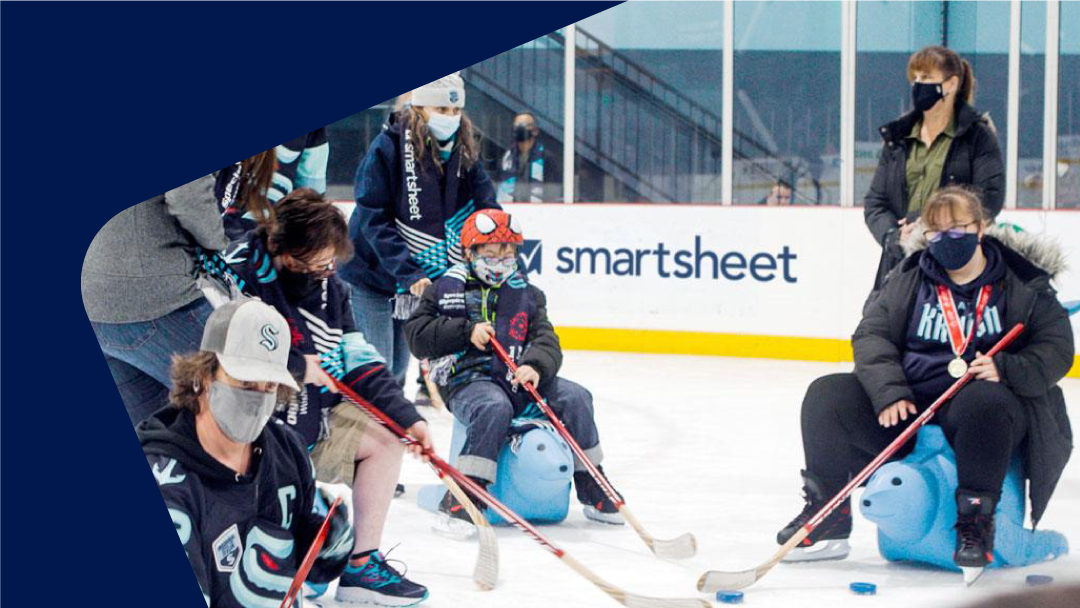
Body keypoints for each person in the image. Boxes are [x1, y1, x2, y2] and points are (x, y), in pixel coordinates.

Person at [775, 187, 1073, 574]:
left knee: (985, 400)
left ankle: (975, 524)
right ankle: (828, 514)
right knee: (827, 393)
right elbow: (871, 335)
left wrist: (1006, 367)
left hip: (980, 414)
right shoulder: (911, 276)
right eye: (936, 232)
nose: (947, 241)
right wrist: (889, 391)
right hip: (910, 408)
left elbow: (1057, 348)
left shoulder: (1022, 283)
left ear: (980, 229)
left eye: (958, 230)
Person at [206, 189, 431, 606]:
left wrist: (406, 417)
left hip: (313, 420)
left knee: (385, 442)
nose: (325, 272)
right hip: (253, 428)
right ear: (285, 251)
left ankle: (361, 565)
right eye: (315, 263)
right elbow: (220, 355)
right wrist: (294, 366)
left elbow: (359, 360)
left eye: (329, 263)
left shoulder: (331, 287)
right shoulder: (237, 273)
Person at [405, 209, 624, 535]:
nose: (500, 263)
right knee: (494, 406)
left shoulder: (529, 295)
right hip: (470, 380)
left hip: (519, 378)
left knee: (577, 397)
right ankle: (466, 495)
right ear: (470, 254)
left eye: (507, 256)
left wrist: (534, 365)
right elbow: (418, 336)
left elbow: (547, 339)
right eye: (491, 255)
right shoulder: (443, 289)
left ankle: (591, 482)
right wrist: (466, 331)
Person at [139, 298, 354, 607]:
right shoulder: (167, 481)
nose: (257, 399)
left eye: (269, 387)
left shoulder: (287, 450)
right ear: (204, 375)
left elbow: (316, 572)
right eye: (244, 382)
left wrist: (330, 541)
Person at [338, 72, 500, 394]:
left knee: (397, 369)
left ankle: (387, 439)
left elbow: (486, 208)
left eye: (456, 112)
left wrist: (496, 241)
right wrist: (409, 272)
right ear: (420, 109)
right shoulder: (388, 148)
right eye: (442, 111)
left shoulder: (463, 153)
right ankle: (358, 440)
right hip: (371, 275)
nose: (450, 119)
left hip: (415, 283)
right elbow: (373, 216)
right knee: (377, 369)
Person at [83, 175, 228, 425]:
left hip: (96, 297)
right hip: (153, 296)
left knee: (157, 428)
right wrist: (219, 244)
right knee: (236, 401)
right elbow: (187, 195)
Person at [864, 46, 1004, 291]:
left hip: (954, 263)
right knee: (876, 326)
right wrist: (893, 237)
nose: (918, 85)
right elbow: (875, 201)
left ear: (950, 85)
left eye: (926, 78)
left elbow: (989, 198)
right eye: (915, 78)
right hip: (899, 264)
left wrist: (927, 227)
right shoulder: (898, 137)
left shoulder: (977, 136)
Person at [495, 112, 558, 203]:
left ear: (535, 131)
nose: (520, 128)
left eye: (524, 125)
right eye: (517, 125)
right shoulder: (506, 158)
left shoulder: (546, 158)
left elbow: (552, 191)